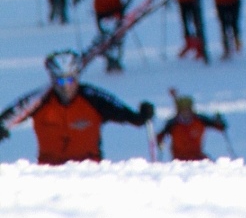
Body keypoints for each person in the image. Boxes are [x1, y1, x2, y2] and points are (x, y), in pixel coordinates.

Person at [18, 50, 153, 164]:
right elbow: (9, 118)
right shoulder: (39, 99)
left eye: (70, 80)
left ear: (77, 77)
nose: (65, 87)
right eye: (60, 80)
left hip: (88, 171)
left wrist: (142, 116)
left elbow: (125, 114)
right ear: (52, 79)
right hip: (49, 172)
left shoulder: (93, 98)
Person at [88, 0, 135, 72]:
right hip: (101, 12)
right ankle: (109, 60)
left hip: (116, 11)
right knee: (105, 38)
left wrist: (125, 6)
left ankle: (117, 59)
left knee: (118, 37)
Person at [157, 94, 227, 161]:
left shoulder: (200, 119)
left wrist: (220, 122)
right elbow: (160, 136)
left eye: (187, 109)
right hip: (179, 159)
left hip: (197, 156)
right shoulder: (173, 123)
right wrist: (160, 142)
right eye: (183, 110)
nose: (185, 112)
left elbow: (219, 126)